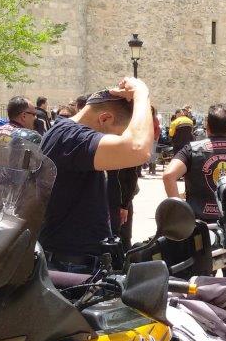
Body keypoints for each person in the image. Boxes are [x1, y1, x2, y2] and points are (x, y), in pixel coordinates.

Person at [39, 78, 154, 273]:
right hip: (71, 265)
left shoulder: (64, 132)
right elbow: (138, 149)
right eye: (118, 135)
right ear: (105, 119)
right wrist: (142, 93)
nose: (116, 140)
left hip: (74, 260)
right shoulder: (71, 138)